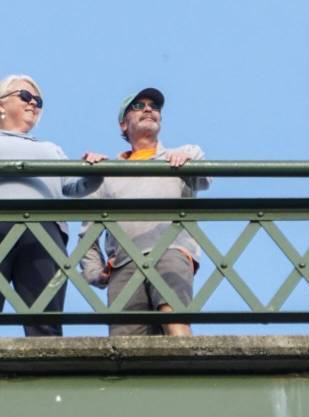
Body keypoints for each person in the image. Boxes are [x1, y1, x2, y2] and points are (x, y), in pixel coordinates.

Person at [0, 74, 105, 337]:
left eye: (38, 101)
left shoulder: (51, 149)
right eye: (25, 96)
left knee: (45, 320)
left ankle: (47, 372)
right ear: (0, 104)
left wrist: (95, 171)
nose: (33, 104)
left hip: (43, 232)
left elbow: (74, 186)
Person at [80, 87, 211, 336]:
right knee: (125, 347)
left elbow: (204, 179)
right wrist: (95, 273)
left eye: (154, 106)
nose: (148, 109)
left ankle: (189, 372)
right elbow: (88, 231)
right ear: (123, 124)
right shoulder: (107, 171)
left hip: (171, 252)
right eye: (138, 106)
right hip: (124, 264)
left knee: (173, 318)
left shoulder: (181, 156)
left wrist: (188, 160)